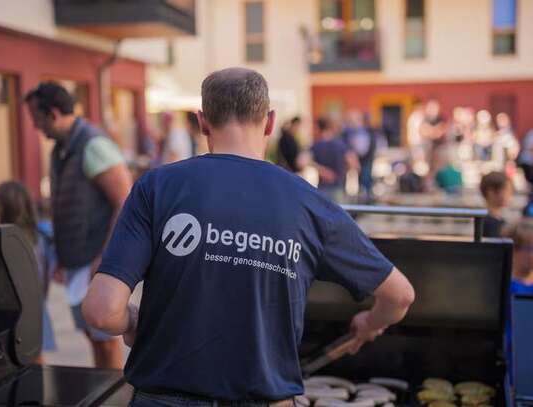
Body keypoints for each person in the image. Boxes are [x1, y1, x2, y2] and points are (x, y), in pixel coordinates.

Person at [81, 68, 415, 406]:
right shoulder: (311, 204)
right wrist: (371, 322)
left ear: (203, 122)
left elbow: (100, 311)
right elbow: (400, 296)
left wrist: (133, 320)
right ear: (269, 122)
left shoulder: (156, 187)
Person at [25, 82, 132, 369]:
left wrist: (106, 258)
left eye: (36, 116)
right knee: (91, 336)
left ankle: (113, 399)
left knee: (105, 340)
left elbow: (126, 202)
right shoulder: (61, 149)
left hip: (95, 263)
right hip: (78, 263)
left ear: (54, 113)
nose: (35, 124)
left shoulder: (93, 145)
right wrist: (61, 254)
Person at [0, 181, 56, 361]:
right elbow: (48, 276)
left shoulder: (1, 243)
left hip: (8, 312)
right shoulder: (41, 236)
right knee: (35, 359)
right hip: (36, 308)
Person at [311, 117, 358, 202]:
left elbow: (301, 161)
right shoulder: (341, 145)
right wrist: (345, 169)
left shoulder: (316, 145)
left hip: (322, 187)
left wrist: (321, 170)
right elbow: (354, 165)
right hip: (338, 186)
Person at [342, 110, 377, 201]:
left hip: (365, 160)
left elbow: (367, 147)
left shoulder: (367, 131)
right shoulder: (347, 132)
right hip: (351, 161)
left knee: (365, 180)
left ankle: (366, 198)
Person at [479, 172, 513, 238]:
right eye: (506, 190)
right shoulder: (488, 222)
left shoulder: (500, 220)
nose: (509, 195)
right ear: (490, 192)